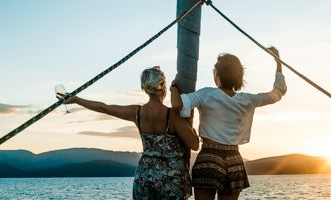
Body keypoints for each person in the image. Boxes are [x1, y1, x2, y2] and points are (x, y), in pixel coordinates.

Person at [58, 66, 200, 199]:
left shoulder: (137, 112)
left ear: (144, 88)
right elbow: (194, 144)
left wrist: (76, 99)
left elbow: (104, 108)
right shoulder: (172, 116)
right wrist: (190, 127)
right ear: (163, 87)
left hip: (145, 177)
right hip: (172, 181)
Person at [170, 47, 286, 200]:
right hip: (234, 161)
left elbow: (177, 105)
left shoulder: (206, 94)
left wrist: (173, 88)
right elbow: (277, 93)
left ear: (218, 73)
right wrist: (278, 62)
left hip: (209, 158)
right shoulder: (246, 99)